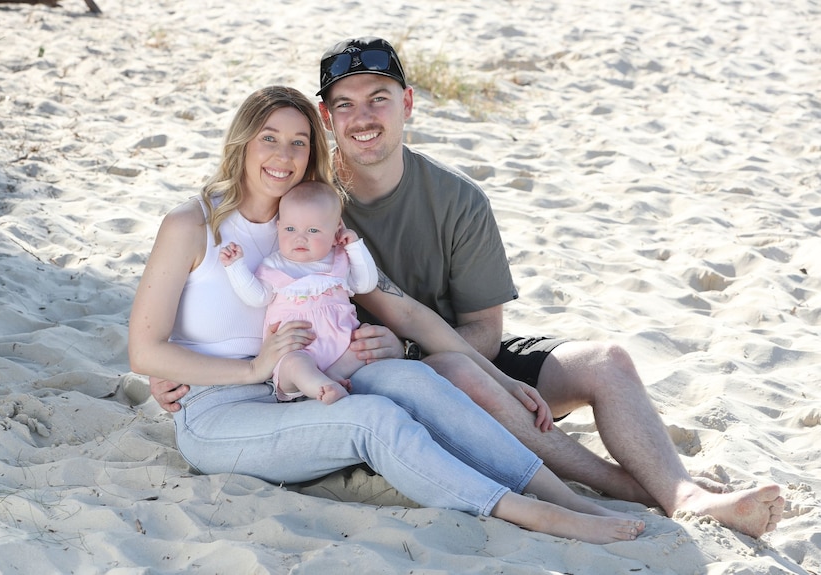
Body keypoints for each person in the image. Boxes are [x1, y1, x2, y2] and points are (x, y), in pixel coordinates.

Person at [307, 36, 784, 539]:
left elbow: (486, 333)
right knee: (455, 369)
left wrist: (408, 346)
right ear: (326, 117)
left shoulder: (457, 199)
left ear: (406, 103)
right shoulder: (309, 203)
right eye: (346, 104)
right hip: (367, 380)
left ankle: (685, 496)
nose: (363, 117)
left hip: (454, 353)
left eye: (378, 98)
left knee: (607, 361)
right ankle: (635, 488)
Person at [129, 84, 647, 544]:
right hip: (220, 412)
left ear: (313, 151)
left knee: (411, 381)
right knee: (374, 419)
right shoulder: (191, 225)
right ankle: (526, 512)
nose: (283, 156)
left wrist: (488, 375)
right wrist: (246, 369)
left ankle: (565, 497)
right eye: (268, 138)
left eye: (298, 141)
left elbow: (400, 309)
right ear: (242, 142)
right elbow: (144, 349)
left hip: (303, 386)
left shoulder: (311, 224)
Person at [219, 180, 378, 404]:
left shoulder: (340, 260)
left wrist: (355, 247)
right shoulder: (274, 266)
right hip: (297, 347)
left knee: (364, 343)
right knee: (294, 364)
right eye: (290, 229)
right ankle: (322, 386)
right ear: (279, 226)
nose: (300, 237)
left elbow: (366, 284)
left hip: (342, 347)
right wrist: (236, 267)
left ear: (336, 232)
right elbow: (257, 297)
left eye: (313, 230)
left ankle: (332, 375)